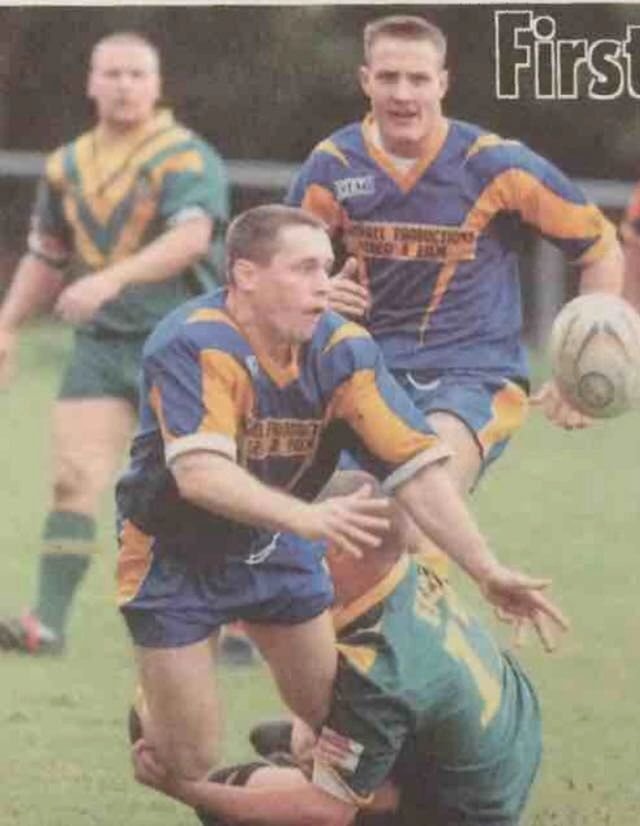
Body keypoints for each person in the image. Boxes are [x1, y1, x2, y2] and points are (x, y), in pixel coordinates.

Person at [116, 204, 566, 793]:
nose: (324, 285)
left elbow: (419, 470)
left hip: (275, 543)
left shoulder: (343, 350)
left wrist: (485, 568)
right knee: (187, 761)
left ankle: (291, 745)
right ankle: (159, 701)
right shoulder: (193, 342)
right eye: (304, 269)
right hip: (174, 556)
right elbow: (201, 474)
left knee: (337, 719)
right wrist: (306, 516)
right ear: (246, 275)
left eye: (326, 268)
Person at [286, 15, 623, 572]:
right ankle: (356, 642)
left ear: (443, 82)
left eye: (418, 79)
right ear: (365, 79)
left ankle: (425, 632)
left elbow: (600, 249)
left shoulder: (494, 163)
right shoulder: (333, 164)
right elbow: (278, 272)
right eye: (389, 77)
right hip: (366, 378)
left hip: (474, 376)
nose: (403, 93)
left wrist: (580, 365)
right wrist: (316, 292)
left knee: (417, 506)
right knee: (345, 523)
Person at [130, 470, 549, 826]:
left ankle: (347, 763)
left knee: (229, 797)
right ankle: (346, 752)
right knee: (340, 735)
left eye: (310, 533)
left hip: (461, 813)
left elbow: (324, 813)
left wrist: (184, 788)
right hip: (507, 743)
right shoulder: (402, 574)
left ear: (342, 547)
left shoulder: (377, 669)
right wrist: (307, 724)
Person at [0, 32, 229, 655]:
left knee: (206, 483)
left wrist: (109, 279)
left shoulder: (185, 156)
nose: (125, 84)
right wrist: (8, 322)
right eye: (113, 73)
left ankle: (241, 619)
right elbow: (48, 254)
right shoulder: (65, 164)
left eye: (137, 74)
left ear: (156, 86)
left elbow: (191, 239)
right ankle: (45, 625)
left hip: (185, 342)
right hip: (102, 347)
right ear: (91, 82)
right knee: (72, 477)